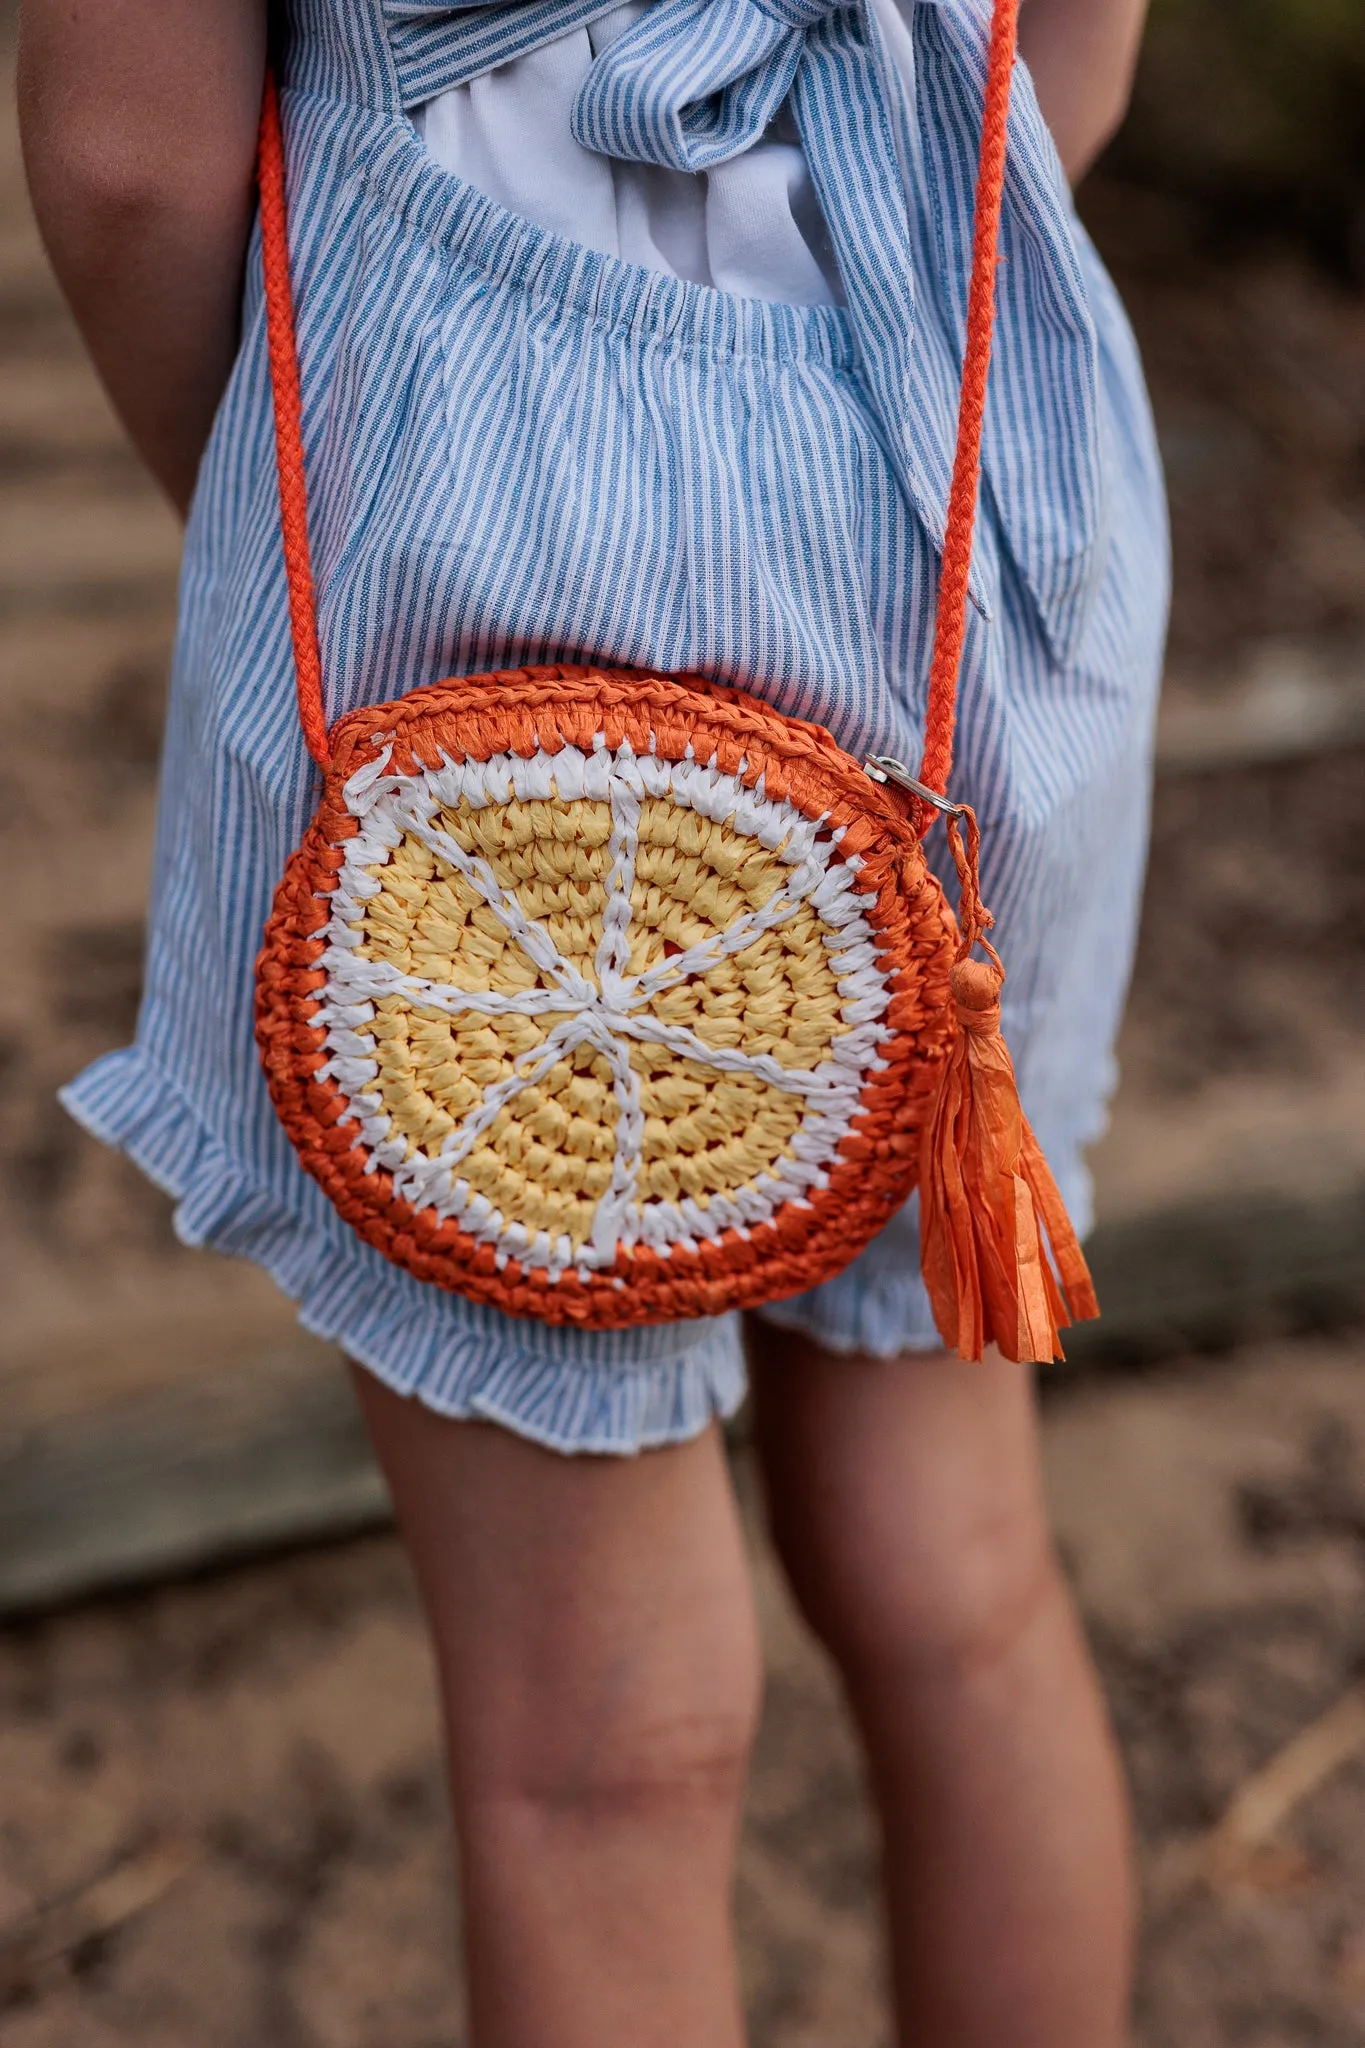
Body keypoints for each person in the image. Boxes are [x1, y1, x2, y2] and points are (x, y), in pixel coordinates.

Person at [19, 0, 1166, 2041]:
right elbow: (1072, 49)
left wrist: (290, 490)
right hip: (963, 495)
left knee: (598, 1747)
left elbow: (127, 157)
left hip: (477, 519)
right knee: (958, 1584)